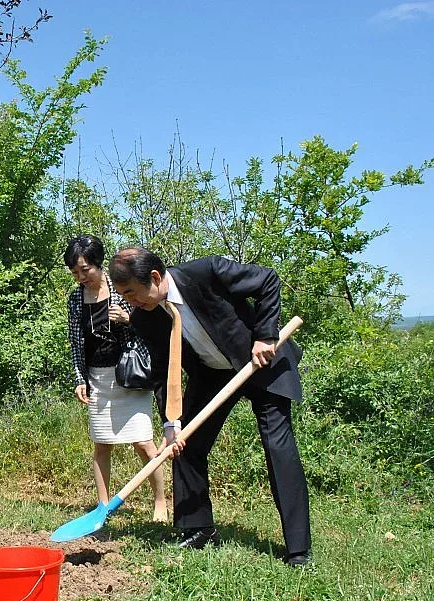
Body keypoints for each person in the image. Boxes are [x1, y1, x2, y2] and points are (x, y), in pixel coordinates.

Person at [108, 248, 311, 566]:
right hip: (213, 373)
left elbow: (268, 281)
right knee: (184, 443)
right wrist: (170, 421)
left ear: (155, 277)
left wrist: (265, 336)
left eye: (131, 293)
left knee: (277, 446)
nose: (130, 303)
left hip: (260, 362)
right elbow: (163, 371)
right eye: (123, 296)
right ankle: (198, 529)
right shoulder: (146, 317)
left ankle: (298, 549)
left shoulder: (206, 272)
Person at [65, 235, 168, 522]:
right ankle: (103, 505)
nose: (81, 277)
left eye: (85, 270)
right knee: (102, 445)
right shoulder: (75, 299)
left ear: (99, 264)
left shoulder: (123, 289)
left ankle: (160, 503)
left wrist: (127, 319)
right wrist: (79, 378)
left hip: (130, 374)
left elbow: (153, 330)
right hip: (97, 377)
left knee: (144, 443)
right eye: (75, 273)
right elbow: (76, 343)